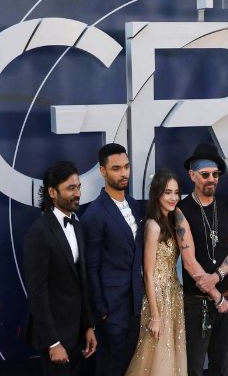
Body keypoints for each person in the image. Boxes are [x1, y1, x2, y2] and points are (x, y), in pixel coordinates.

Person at [23, 161, 97, 376]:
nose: (78, 194)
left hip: (77, 335)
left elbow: (82, 281)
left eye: (79, 187)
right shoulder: (39, 232)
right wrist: (53, 342)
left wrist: (89, 326)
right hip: (55, 338)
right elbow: (37, 292)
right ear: (52, 192)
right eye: (71, 188)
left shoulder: (78, 226)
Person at [174, 143, 228, 376]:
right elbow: (188, 260)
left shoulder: (227, 202)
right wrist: (215, 295)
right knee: (194, 364)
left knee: (222, 364)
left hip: (227, 296)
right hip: (197, 300)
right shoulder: (182, 209)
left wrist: (217, 277)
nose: (211, 179)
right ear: (192, 175)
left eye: (215, 174)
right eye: (205, 175)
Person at [82, 143, 144, 376]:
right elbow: (90, 267)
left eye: (126, 167)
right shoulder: (95, 214)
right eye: (116, 168)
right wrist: (102, 311)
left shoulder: (135, 206)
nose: (124, 173)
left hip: (135, 307)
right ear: (102, 171)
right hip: (111, 310)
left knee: (129, 368)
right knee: (111, 368)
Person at [125, 169, 187, 375]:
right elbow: (148, 273)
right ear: (157, 194)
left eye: (176, 192)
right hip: (157, 298)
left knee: (171, 355)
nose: (173, 197)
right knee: (154, 355)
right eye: (167, 192)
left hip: (173, 294)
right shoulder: (153, 226)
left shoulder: (172, 222)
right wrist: (155, 315)